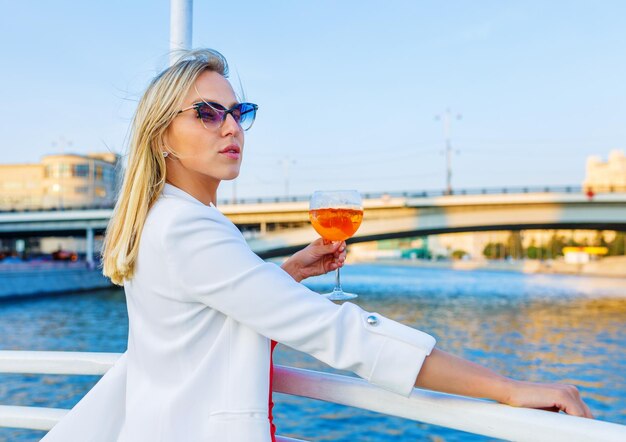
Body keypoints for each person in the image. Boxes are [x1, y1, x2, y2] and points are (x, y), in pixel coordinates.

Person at [42, 49, 592, 442]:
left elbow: (207, 321)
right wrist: (506, 387)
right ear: (162, 135)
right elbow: (341, 334)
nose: (230, 126)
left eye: (238, 112)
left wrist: (289, 271)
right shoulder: (188, 229)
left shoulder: (173, 219)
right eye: (207, 113)